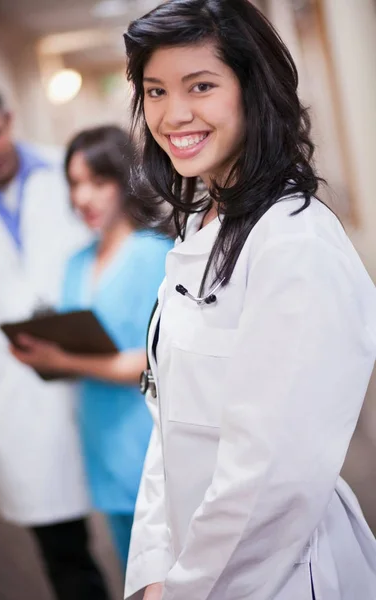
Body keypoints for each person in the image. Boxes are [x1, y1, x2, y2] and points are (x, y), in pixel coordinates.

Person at [121, 1, 376, 599]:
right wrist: (155, 567)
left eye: (200, 85)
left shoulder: (294, 243)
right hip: (193, 558)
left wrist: (184, 590)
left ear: (253, 90)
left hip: (274, 575)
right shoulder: (201, 225)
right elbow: (169, 417)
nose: (173, 113)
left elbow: (270, 478)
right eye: (155, 91)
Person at [11, 125, 172, 572]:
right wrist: (40, 350)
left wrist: (63, 360)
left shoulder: (158, 255)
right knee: (133, 572)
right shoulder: (76, 264)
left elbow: (153, 359)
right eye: (75, 184)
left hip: (153, 438)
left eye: (97, 182)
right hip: (101, 440)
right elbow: (79, 341)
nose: (83, 197)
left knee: (174, 575)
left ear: (126, 181)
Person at [0, 78, 111, 600]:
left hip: (96, 371)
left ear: (9, 120)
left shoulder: (67, 173)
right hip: (14, 394)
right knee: (64, 551)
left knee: (144, 521)